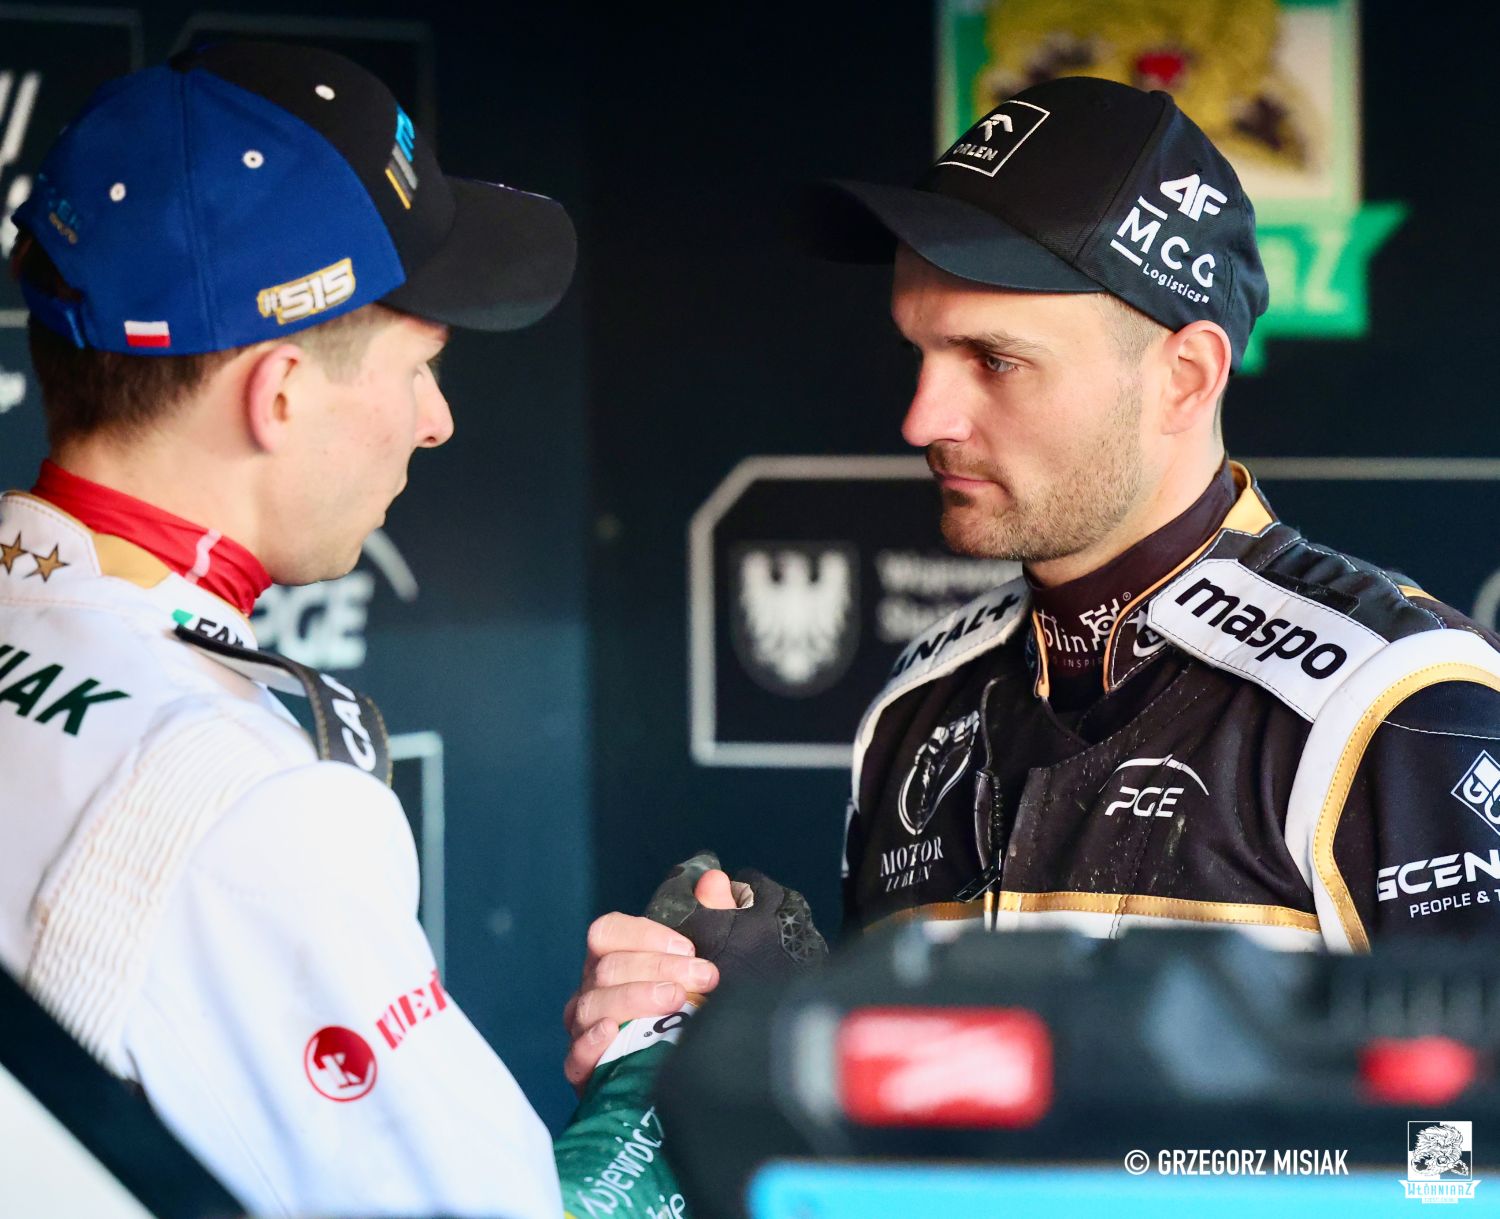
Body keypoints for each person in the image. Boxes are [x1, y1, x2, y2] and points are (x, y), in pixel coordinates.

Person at [564, 73, 1500, 1085]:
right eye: (920, 350)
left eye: (994, 360)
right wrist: (781, 1035)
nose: (922, 419)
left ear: (1183, 378)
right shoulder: (917, 706)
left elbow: (1461, 1149)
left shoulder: (1395, 708)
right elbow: (931, 1129)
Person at [0, 41, 711, 1219]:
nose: (436, 421)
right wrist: (659, 1081)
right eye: (420, 364)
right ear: (278, 393)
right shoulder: (245, 801)